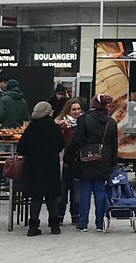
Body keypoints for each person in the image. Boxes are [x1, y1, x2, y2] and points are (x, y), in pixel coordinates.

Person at [67, 94, 118, 232]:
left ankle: (83, 223)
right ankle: (99, 224)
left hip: (87, 157)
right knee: (100, 189)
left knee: (85, 189)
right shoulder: (111, 122)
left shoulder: (84, 119)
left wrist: (69, 156)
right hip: (104, 159)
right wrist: (113, 163)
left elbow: (77, 140)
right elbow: (114, 145)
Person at [16, 101, 65, 235]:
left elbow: (21, 148)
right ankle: (55, 226)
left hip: (33, 166)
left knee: (36, 197)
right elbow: (61, 144)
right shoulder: (54, 128)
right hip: (51, 165)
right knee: (52, 196)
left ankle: (33, 226)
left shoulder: (31, 128)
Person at [55, 97, 84, 225]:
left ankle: (76, 215)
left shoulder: (84, 123)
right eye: (74, 109)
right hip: (64, 160)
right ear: (68, 110)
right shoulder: (60, 123)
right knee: (62, 190)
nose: (77, 112)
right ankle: (60, 215)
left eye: (78, 109)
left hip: (78, 161)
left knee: (76, 190)